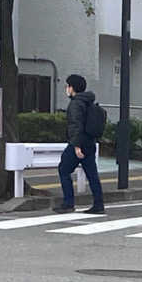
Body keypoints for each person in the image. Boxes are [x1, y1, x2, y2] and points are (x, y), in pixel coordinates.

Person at [55, 74, 105, 213]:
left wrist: (76, 146)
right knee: (92, 174)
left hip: (78, 144)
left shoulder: (75, 104)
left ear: (72, 88)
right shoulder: (88, 101)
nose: (66, 89)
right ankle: (98, 204)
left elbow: (76, 125)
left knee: (63, 169)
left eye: (67, 86)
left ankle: (68, 203)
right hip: (90, 143)